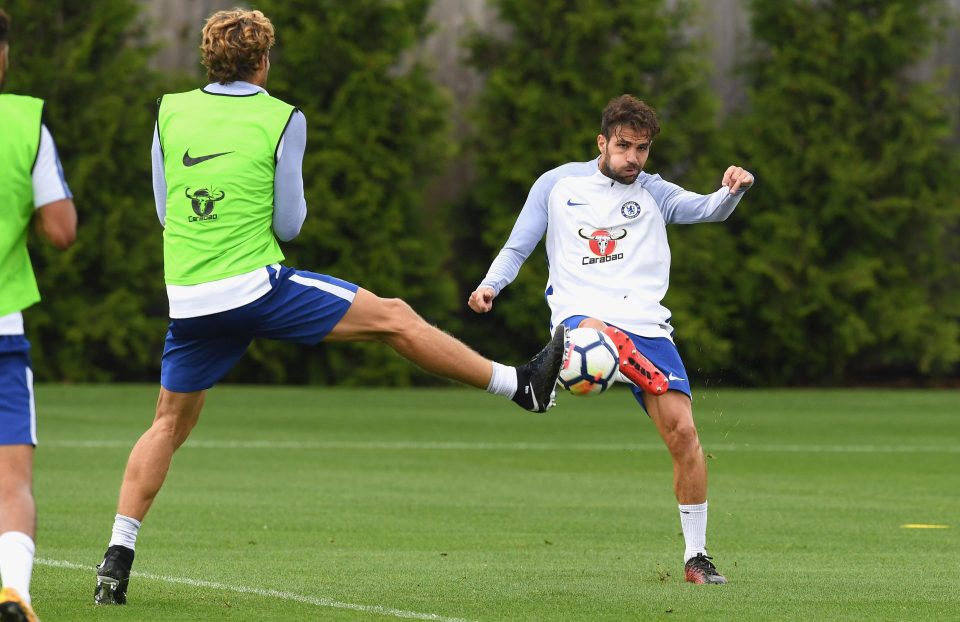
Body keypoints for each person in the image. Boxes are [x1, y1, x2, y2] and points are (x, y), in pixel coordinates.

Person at [93, 8, 565, 605]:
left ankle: (116, 559)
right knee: (393, 318)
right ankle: (520, 385)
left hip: (188, 296)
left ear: (209, 59)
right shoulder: (283, 117)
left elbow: (167, 213)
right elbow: (290, 225)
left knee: (167, 422)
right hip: (255, 287)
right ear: (263, 62)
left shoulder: (168, 109)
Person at [468, 94, 754, 584]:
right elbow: (519, 245)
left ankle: (697, 558)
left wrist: (731, 191)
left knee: (685, 436)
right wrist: (491, 284)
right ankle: (611, 358)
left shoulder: (654, 191)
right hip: (583, 319)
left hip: (647, 325)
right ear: (601, 141)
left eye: (642, 149)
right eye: (624, 146)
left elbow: (706, 210)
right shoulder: (557, 185)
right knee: (597, 336)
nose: (633, 159)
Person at [0, 8, 79, 621]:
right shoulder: (25, 122)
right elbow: (60, 230)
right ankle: (12, 592)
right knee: (12, 484)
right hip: (2, 330)